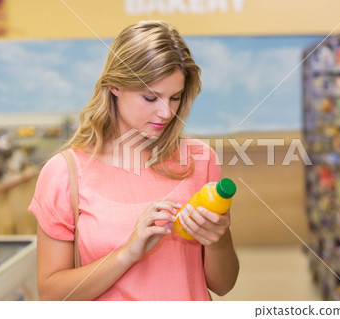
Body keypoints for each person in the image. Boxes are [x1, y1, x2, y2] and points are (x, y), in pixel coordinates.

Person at [28, 20, 239, 301]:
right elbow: (52, 295)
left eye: (175, 97)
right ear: (115, 85)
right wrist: (127, 253)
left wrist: (218, 239)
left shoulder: (200, 160)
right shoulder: (65, 173)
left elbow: (223, 285)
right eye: (150, 97)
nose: (166, 112)